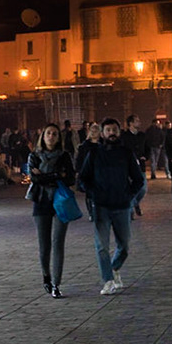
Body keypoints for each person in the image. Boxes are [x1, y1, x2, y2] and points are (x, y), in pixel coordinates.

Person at [78, 117, 143, 295]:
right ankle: (107, 280)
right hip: (101, 206)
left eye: (114, 130)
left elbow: (138, 179)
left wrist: (129, 195)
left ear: (119, 131)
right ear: (102, 133)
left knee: (124, 246)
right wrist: (93, 193)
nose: (111, 133)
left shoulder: (126, 153)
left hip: (122, 205)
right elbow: (82, 178)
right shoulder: (94, 153)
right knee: (102, 246)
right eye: (108, 130)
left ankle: (114, 269)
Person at [26, 123, 75, 297]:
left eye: (55, 134)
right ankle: (46, 276)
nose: (51, 136)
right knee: (44, 244)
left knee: (58, 243)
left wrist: (45, 176)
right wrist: (56, 175)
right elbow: (34, 179)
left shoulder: (64, 156)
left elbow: (70, 178)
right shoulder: (34, 156)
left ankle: (56, 283)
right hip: (41, 201)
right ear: (43, 136)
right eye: (48, 133)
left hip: (61, 201)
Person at [120, 115, 148, 217]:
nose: (139, 122)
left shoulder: (142, 135)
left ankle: (134, 202)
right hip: (128, 167)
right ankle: (131, 209)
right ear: (130, 123)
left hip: (141, 166)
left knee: (143, 188)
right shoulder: (124, 136)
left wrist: (145, 156)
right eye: (137, 121)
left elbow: (147, 147)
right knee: (130, 188)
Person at [145, 116, 167, 180]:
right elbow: (163, 138)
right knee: (154, 161)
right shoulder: (157, 130)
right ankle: (153, 173)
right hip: (155, 146)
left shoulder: (149, 130)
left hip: (154, 146)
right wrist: (161, 144)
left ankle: (153, 173)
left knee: (154, 161)